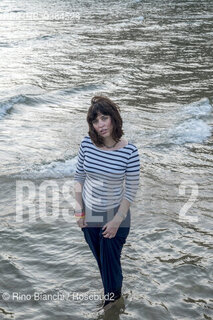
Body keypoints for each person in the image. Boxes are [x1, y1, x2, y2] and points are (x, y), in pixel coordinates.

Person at [74, 96, 140, 311]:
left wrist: (116, 221)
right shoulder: (87, 143)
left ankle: (111, 308)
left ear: (114, 119)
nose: (100, 124)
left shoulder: (130, 151)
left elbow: (130, 190)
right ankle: (112, 301)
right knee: (103, 263)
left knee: (111, 266)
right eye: (95, 121)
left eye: (104, 118)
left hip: (116, 215)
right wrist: (79, 210)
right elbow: (79, 177)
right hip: (90, 212)